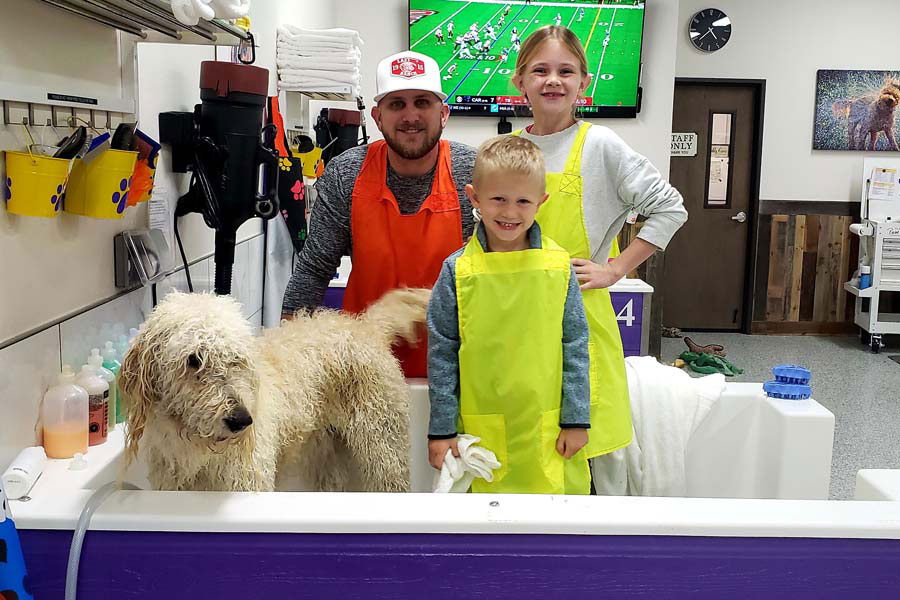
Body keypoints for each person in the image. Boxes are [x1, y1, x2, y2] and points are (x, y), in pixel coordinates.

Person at [510, 26, 687, 494]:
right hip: (515, 320)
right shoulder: (508, 149)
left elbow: (670, 206)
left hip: (579, 323)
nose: (553, 80)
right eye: (540, 70)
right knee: (528, 450)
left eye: (565, 71)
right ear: (519, 81)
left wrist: (615, 268)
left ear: (583, 82)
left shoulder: (600, 145)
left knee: (584, 457)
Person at [281, 51, 477, 378]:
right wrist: (286, 352)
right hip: (363, 369)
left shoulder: (472, 172)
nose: (410, 116)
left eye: (422, 103)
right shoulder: (347, 173)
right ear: (377, 116)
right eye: (396, 104)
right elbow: (314, 270)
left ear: (443, 113)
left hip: (456, 370)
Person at [427, 135, 593, 494]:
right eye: (498, 199)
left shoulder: (559, 266)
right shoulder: (457, 271)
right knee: (481, 533)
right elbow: (442, 354)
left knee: (551, 532)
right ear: (474, 197)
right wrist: (441, 430)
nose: (510, 212)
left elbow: (576, 345)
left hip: (548, 428)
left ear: (541, 202)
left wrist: (576, 419)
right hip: (477, 428)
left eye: (522, 201)